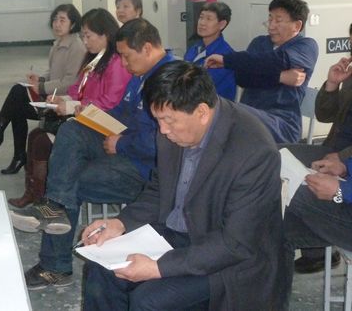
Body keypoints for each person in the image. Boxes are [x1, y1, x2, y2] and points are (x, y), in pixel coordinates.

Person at [82, 61, 282, 311]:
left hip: (228, 259)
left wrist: (158, 268)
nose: (163, 130)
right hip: (177, 234)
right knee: (101, 268)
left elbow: (236, 243)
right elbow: (159, 190)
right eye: (158, 120)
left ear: (202, 112)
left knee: (148, 300)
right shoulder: (174, 127)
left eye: (168, 121)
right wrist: (120, 223)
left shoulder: (253, 151)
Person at [10, 19, 175, 290]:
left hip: (146, 169)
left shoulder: (170, 80)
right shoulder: (141, 75)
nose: (123, 64)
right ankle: (53, 210)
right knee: (72, 129)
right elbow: (122, 113)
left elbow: (166, 139)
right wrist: (93, 116)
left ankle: (55, 265)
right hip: (124, 147)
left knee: (70, 180)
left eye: (126, 56)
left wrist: (121, 144)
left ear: (146, 48)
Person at [7, 8, 131, 208]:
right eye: (83, 36)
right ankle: (35, 194)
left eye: (88, 36)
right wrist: (61, 99)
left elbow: (110, 101)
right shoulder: (94, 60)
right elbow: (76, 89)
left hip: (103, 128)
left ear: (105, 35)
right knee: (36, 135)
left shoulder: (116, 63)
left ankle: (46, 200)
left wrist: (72, 106)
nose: (85, 41)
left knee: (43, 141)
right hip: (85, 119)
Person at [0, 4, 86, 174]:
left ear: (73, 24)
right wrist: (40, 79)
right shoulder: (58, 43)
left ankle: (1, 135)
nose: (57, 24)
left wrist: (41, 87)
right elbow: (53, 72)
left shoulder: (77, 47)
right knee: (17, 101)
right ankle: (10, 147)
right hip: (51, 93)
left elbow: (70, 82)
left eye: (62, 20)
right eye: (55, 20)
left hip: (62, 101)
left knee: (17, 95)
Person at [280, 23, 352, 276]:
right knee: (274, 159)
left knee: (289, 191)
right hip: (337, 157)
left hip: (343, 167)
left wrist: (342, 189)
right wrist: (332, 84)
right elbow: (325, 114)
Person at [205, 0, 319, 143]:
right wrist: (280, 77)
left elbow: (275, 61)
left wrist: (228, 60)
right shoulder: (259, 43)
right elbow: (243, 78)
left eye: (278, 21)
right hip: (249, 115)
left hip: (282, 123)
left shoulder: (306, 46)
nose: (271, 26)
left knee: (225, 112)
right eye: (270, 19)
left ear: (297, 26)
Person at [184, 1, 236, 100]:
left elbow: (200, 86)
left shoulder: (225, 55)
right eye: (201, 17)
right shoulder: (195, 48)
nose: (202, 23)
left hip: (214, 105)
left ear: (222, 24)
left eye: (209, 19)